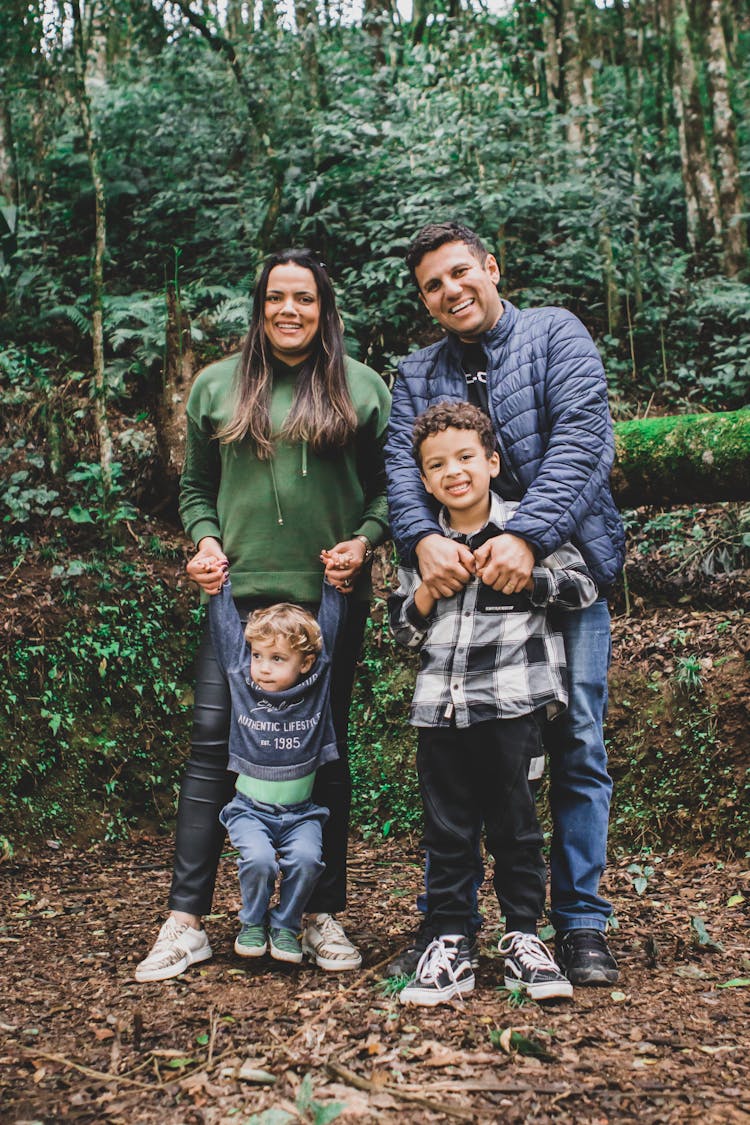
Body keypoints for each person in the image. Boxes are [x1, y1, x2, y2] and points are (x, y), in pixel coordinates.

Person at [135, 248, 391, 983]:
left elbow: (385, 492)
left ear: (323, 308)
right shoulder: (218, 386)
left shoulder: (362, 389)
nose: (289, 310)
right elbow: (195, 492)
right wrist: (206, 542)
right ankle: (186, 920)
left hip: (328, 599)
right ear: (260, 305)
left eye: (304, 298)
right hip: (240, 600)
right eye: (277, 297)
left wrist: (365, 541)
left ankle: (317, 912)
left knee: (324, 746)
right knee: (215, 740)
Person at [385, 221, 625, 986]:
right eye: (433, 284)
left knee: (578, 738)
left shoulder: (555, 334)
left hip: (565, 564)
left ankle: (578, 923)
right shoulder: (419, 372)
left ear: (491, 267)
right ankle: (447, 925)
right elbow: (401, 466)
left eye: (461, 273)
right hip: (468, 596)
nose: (452, 290)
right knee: (464, 746)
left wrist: (525, 534)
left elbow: (585, 439)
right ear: (425, 301)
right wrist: (422, 539)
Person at [389, 403, 597, 1006]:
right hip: (439, 712)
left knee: (516, 829)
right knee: (447, 831)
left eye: (465, 458)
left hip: (513, 707)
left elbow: (580, 586)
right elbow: (402, 630)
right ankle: (451, 941)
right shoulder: (422, 548)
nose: (453, 472)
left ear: (491, 462)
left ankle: (523, 939)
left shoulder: (528, 528)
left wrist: (528, 575)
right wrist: (427, 591)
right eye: (437, 465)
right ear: (424, 480)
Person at [204, 561, 347, 964]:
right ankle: (252, 921)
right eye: (259, 655)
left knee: (306, 861)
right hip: (249, 810)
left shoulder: (316, 685)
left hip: (302, 813)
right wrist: (220, 589)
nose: (263, 667)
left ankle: (285, 925)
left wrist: (333, 586)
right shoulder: (243, 680)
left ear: (304, 664)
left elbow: (330, 636)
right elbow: (227, 634)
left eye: (278, 659)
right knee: (259, 860)